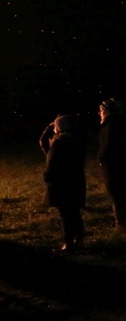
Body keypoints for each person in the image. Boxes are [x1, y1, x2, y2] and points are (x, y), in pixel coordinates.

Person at [39, 115, 87, 252]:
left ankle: (68, 243)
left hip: (61, 185)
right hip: (75, 182)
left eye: (55, 127)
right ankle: (79, 240)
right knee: (74, 212)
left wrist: (46, 176)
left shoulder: (59, 143)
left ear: (58, 127)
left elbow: (52, 164)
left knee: (65, 215)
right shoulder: (78, 141)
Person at [97, 97, 126, 231]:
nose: (99, 113)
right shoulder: (112, 124)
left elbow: (109, 147)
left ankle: (121, 224)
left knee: (118, 195)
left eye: (101, 110)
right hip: (113, 166)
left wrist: (102, 159)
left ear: (107, 111)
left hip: (114, 167)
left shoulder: (112, 125)